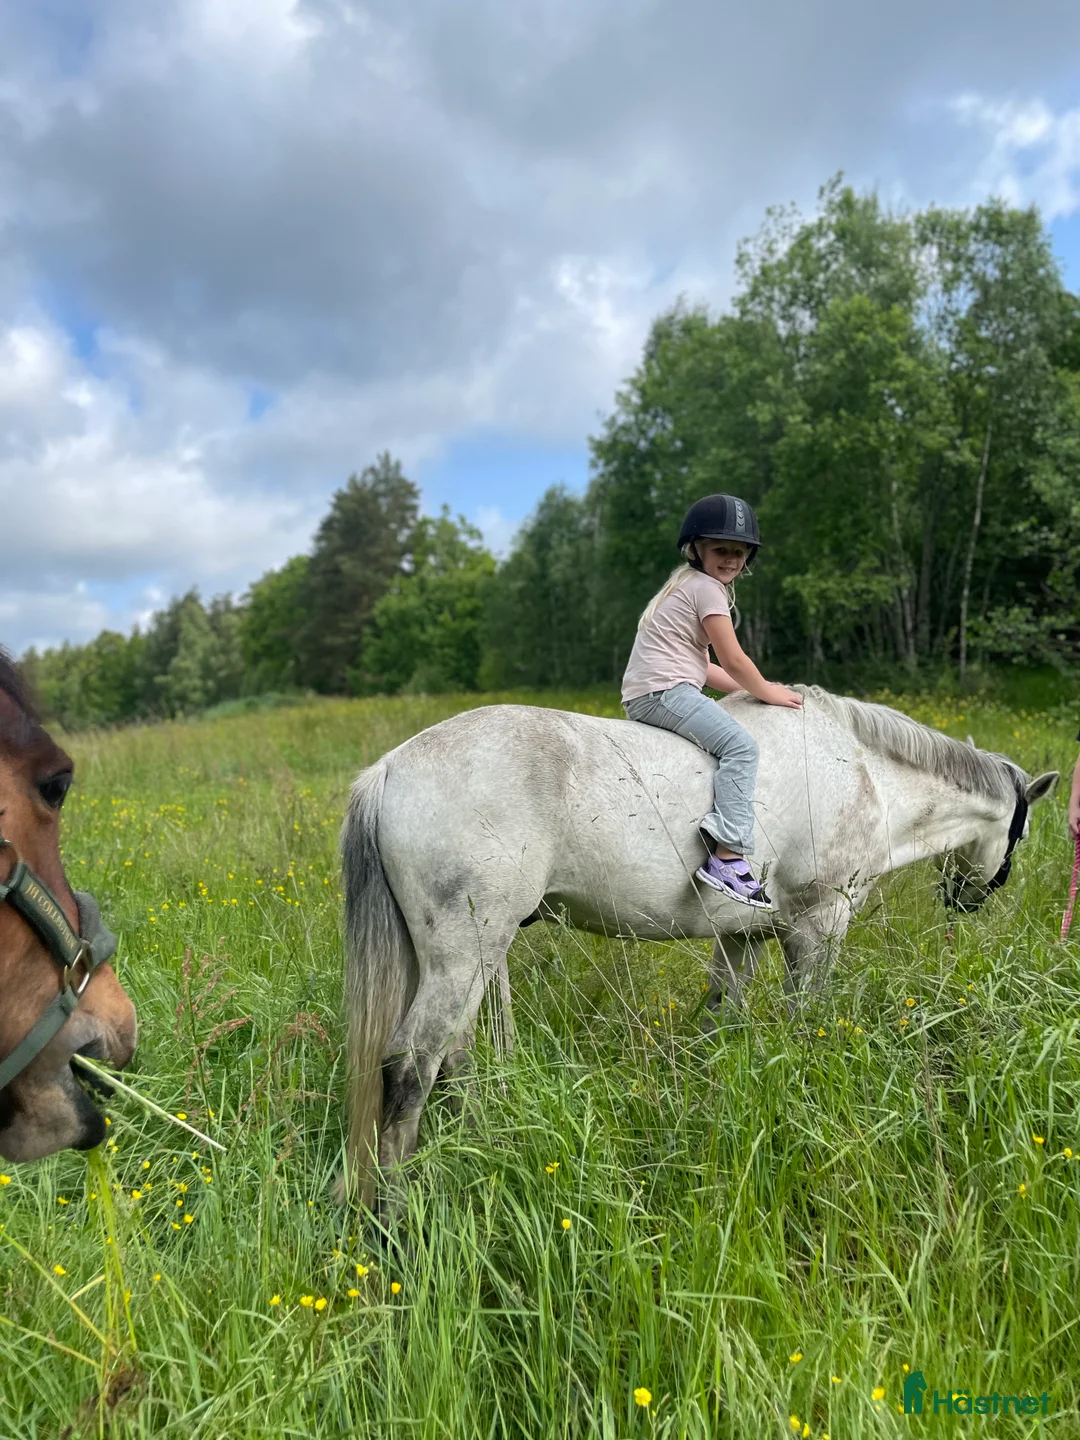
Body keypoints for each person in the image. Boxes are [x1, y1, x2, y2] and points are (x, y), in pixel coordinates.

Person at [621, 494, 802, 908]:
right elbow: (733, 659)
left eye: (739, 552)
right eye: (721, 549)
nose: (731, 559)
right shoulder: (708, 590)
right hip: (666, 692)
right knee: (741, 747)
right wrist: (766, 690)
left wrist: (751, 689)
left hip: (654, 690)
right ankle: (728, 857)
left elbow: (705, 669)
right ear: (696, 549)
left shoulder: (685, 585)